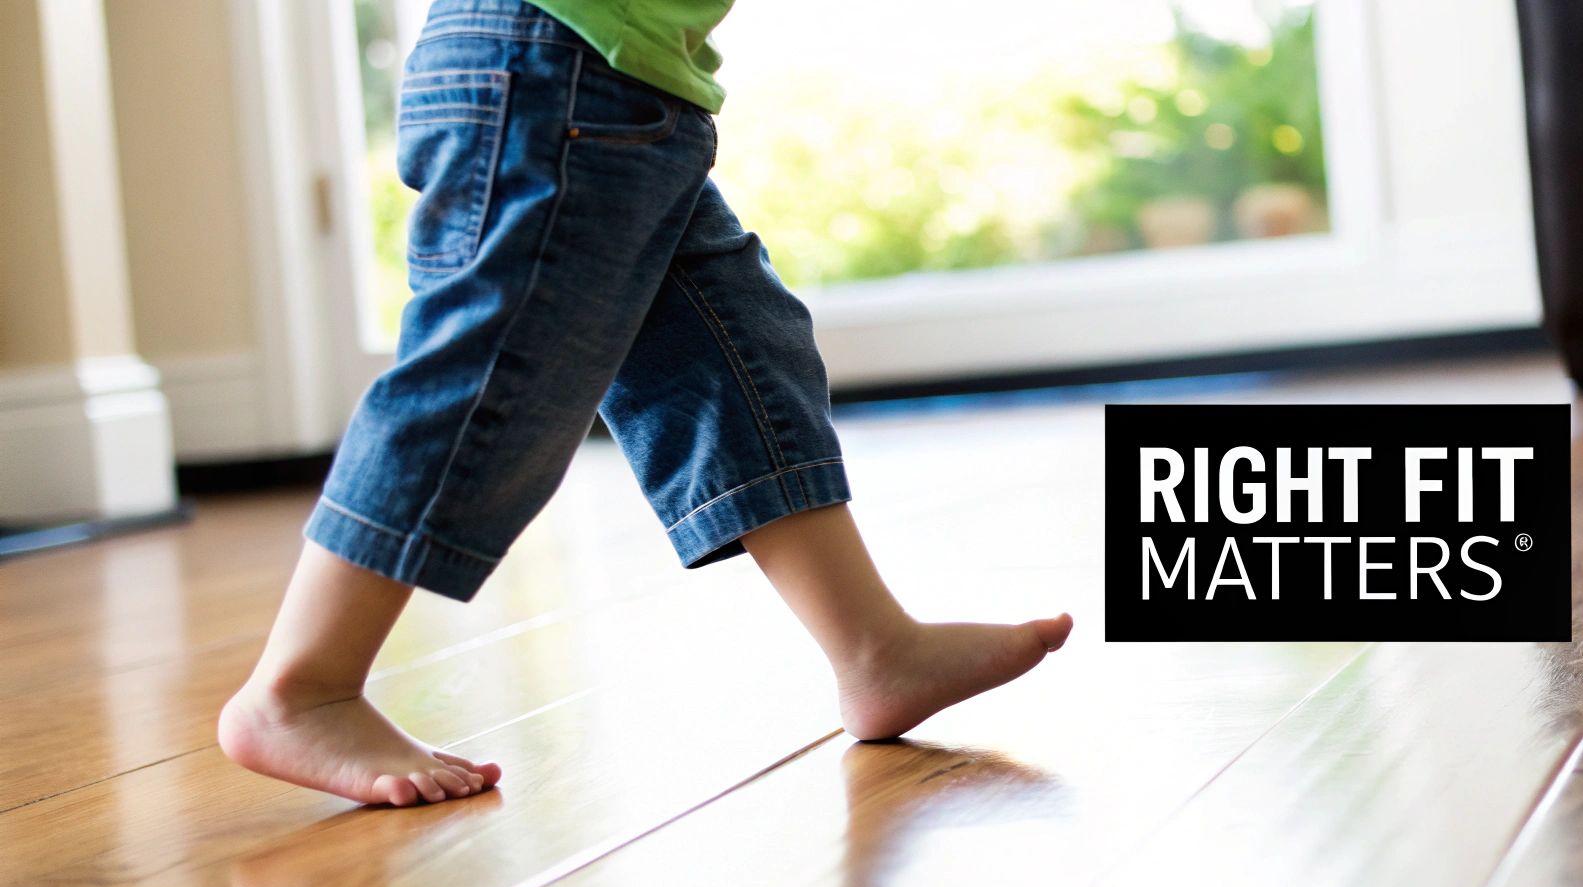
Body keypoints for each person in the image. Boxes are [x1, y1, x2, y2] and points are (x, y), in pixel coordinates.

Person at [217, 0, 1072, 807]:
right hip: (559, 60)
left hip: (617, 76)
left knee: (736, 353)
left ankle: (874, 648)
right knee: (491, 373)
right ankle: (302, 685)